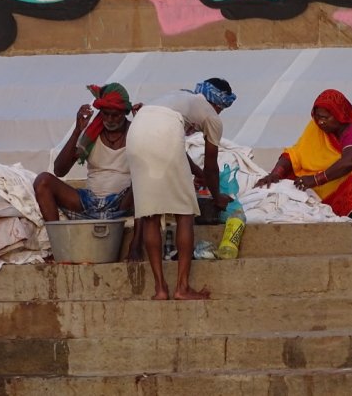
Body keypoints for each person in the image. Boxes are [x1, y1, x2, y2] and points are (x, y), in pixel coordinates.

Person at [126, 77, 236, 300]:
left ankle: (160, 290)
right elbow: (212, 165)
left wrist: (196, 172)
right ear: (219, 103)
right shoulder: (212, 115)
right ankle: (182, 288)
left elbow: (167, 143)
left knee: (150, 214)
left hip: (137, 131)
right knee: (185, 213)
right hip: (161, 132)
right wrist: (217, 197)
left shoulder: (179, 98)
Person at [255, 89, 352, 221]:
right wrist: (276, 174)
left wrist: (315, 179)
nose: (320, 122)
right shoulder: (317, 129)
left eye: (325, 118)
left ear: (340, 115)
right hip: (328, 184)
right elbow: (295, 154)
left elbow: (351, 160)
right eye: (317, 117)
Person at [33, 83, 141, 222]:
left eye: (115, 115)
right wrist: (77, 130)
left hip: (122, 202)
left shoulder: (136, 131)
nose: (109, 120)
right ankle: (57, 238)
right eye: (105, 114)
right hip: (89, 201)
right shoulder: (91, 133)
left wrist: (142, 123)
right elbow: (59, 170)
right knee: (43, 181)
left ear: (125, 112)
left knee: (141, 182)